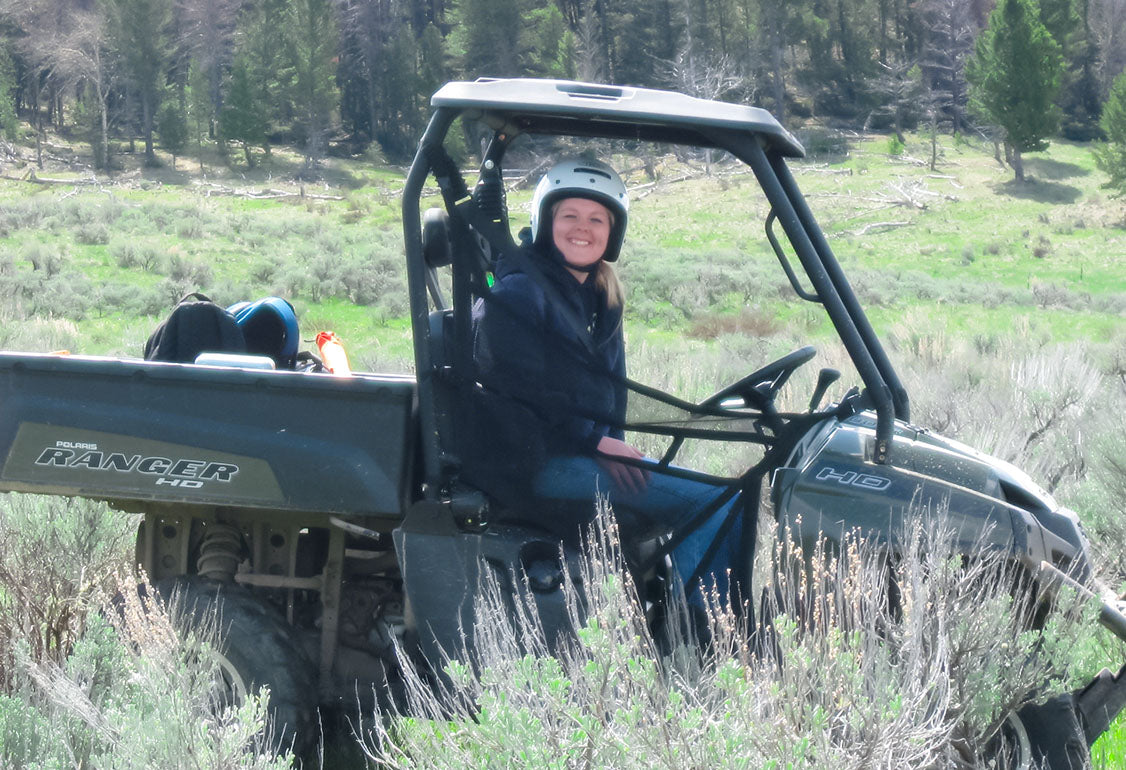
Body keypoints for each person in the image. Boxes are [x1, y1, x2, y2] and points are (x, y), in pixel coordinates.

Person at [471, 159, 742, 612]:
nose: (583, 229)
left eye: (597, 219)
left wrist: (604, 442)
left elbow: (599, 393)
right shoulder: (521, 293)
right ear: (545, 222)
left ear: (612, 232)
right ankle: (702, 637)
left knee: (719, 492)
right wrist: (597, 442)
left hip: (574, 450)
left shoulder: (594, 295)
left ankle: (670, 612)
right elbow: (518, 392)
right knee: (716, 501)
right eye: (569, 216)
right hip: (533, 464)